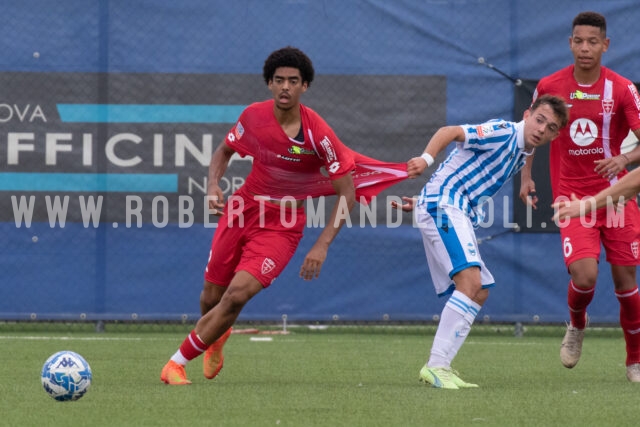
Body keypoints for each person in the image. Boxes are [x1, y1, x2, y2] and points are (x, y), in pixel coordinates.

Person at [160, 46, 408, 385]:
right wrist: (213, 185)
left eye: (293, 81)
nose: (285, 87)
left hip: (282, 226)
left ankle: (174, 364)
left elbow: (347, 192)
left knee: (236, 296)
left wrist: (321, 246)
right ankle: (215, 339)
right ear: (269, 83)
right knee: (211, 298)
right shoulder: (253, 116)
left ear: (305, 86)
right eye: (279, 80)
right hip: (242, 210)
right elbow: (226, 149)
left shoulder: (318, 134)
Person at [393, 94, 569, 389]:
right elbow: (450, 132)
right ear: (527, 114)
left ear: (555, 135)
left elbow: (527, 152)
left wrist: (526, 180)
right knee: (470, 283)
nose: (541, 129)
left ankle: (443, 366)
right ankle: (436, 366)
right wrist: (425, 160)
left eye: (551, 128)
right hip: (445, 205)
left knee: (480, 290)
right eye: (539, 120)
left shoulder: (524, 149)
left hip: (447, 206)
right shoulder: (502, 131)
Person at [518, 11, 640, 382]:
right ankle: (576, 325)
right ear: (570, 43)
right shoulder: (550, 86)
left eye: (592, 41)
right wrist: (525, 176)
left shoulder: (621, 89)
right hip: (571, 199)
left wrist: (624, 157)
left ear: (605, 45)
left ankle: (634, 360)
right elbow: (532, 131)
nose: (585, 48)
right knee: (584, 276)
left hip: (617, 197)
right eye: (578, 40)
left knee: (626, 282)